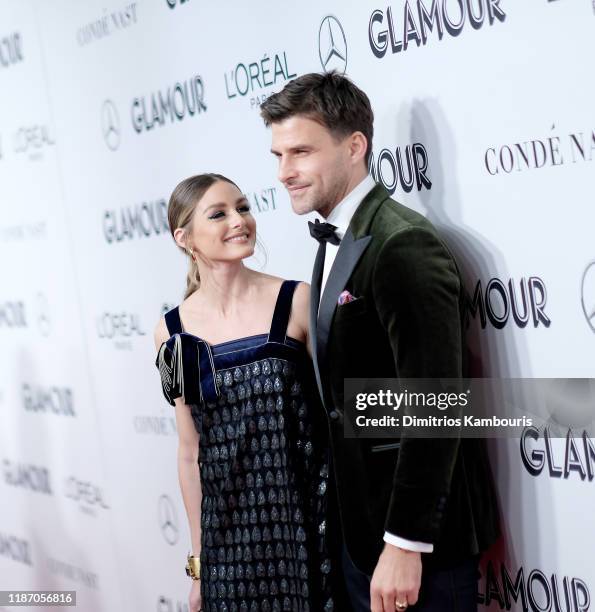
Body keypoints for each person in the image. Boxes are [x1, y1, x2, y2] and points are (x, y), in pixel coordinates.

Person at [260, 72, 500, 611]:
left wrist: (404, 544)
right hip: (360, 540)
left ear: (354, 146)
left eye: (301, 151)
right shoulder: (341, 234)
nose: (285, 172)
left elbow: (436, 402)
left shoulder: (401, 242)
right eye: (278, 155)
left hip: (416, 550)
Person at [153, 173, 334, 612]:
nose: (239, 220)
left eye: (243, 207)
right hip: (229, 549)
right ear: (185, 238)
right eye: (219, 214)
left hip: (310, 529)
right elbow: (189, 450)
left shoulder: (295, 299)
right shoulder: (171, 333)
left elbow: (335, 416)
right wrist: (199, 563)